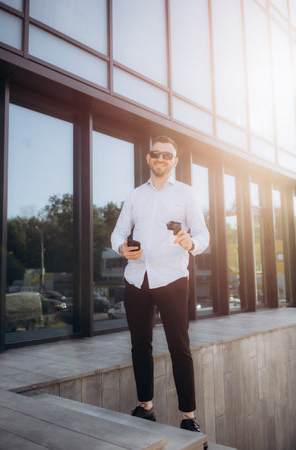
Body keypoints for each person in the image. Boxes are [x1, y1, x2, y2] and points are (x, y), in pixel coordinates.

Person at [111, 135, 210, 436]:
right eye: (156, 154)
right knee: (140, 346)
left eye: (167, 155)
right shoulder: (135, 196)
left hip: (172, 278)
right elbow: (117, 233)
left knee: (179, 348)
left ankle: (188, 416)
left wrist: (191, 242)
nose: (161, 159)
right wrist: (121, 249)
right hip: (136, 278)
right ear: (148, 159)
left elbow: (204, 235)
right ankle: (145, 406)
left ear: (174, 161)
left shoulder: (186, 194)